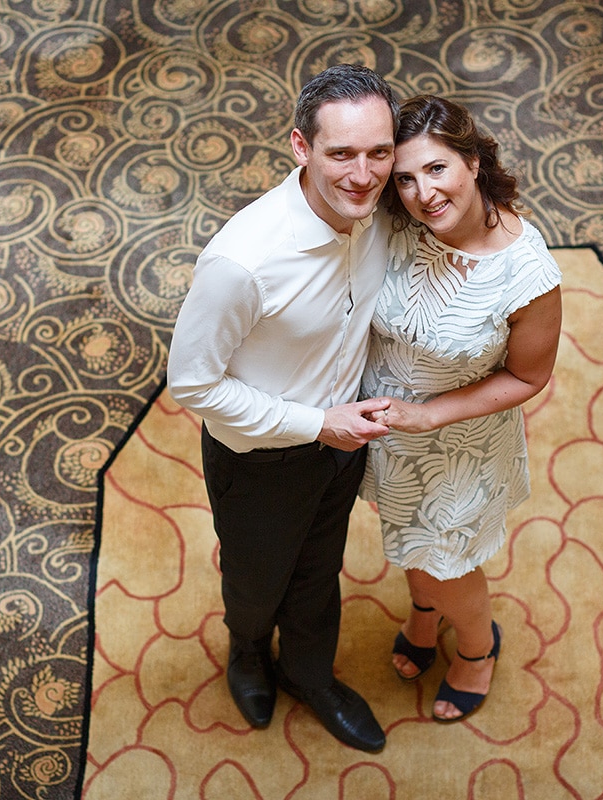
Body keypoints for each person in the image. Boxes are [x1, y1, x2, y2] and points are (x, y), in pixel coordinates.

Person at [166, 64, 399, 752]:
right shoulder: (243, 262)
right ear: (301, 147)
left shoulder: (382, 212)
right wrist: (317, 423)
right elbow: (194, 385)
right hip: (260, 461)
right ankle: (246, 650)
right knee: (255, 577)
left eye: (379, 152)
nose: (363, 175)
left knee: (320, 567)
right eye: (341, 154)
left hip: (344, 442)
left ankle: (307, 672)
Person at [359, 95, 563, 722]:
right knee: (411, 547)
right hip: (386, 434)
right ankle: (425, 613)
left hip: (461, 448)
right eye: (406, 178)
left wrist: (432, 414)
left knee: (449, 561)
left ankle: (476, 648)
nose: (423, 193)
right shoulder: (396, 223)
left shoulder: (528, 273)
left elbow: (530, 375)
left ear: (473, 162)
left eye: (438, 169)